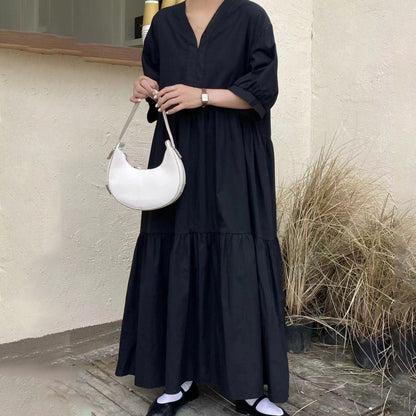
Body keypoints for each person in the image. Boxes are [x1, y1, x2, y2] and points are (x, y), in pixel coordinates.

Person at [115, 0, 290, 415]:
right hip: (180, 156)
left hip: (235, 156)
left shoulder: (251, 17)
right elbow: (160, 93)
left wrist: (204, 96)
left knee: (239, 262)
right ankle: (179, 379)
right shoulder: (164, 24)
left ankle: (248, 386)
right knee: (178, 255)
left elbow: (263, 90)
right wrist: (148, 89)